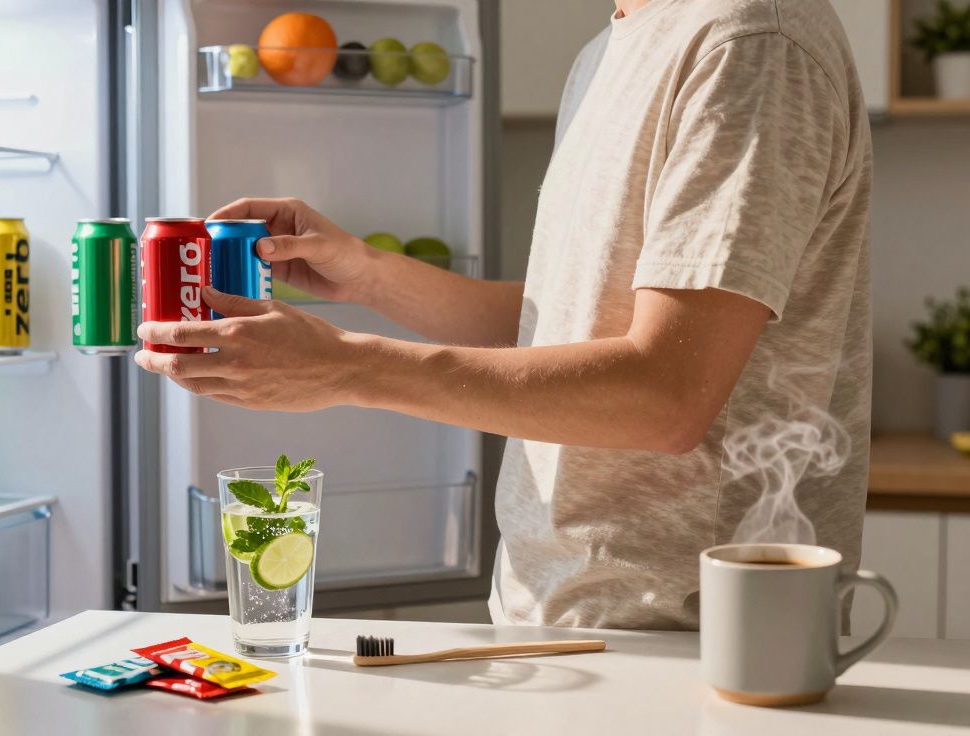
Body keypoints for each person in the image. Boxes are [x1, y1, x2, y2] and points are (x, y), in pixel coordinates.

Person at [136, 0, 872, 630]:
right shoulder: (616, 44)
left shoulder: (751, 43)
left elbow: (666, 394)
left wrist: (349, 367)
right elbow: (571, 322)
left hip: (690, 629)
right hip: (559, 611)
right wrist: (367, 272)